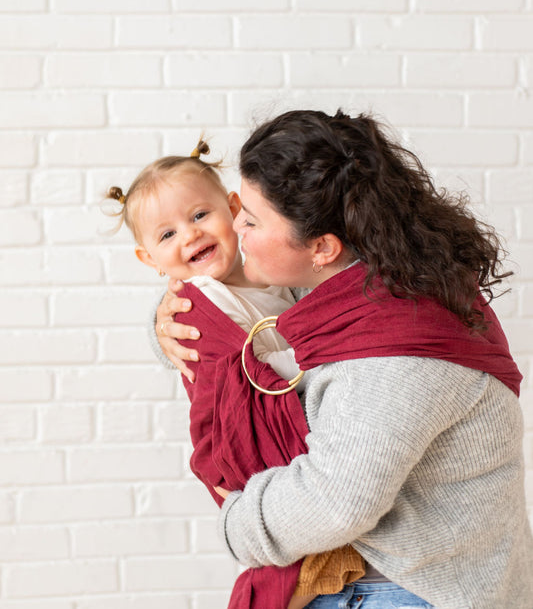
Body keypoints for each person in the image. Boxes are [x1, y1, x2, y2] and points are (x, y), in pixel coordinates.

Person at [154, 109, 533, 609]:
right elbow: (238, 313)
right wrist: (167, 323)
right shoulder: (370, 291)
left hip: (409, 592)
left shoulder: (394, 354)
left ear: (322, 247)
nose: (235, 228)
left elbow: (336, 500)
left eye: (250, 217)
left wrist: (236, 522)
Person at [104, 142, 365, 609]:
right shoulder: (203, 300)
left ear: (233, 208)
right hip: (254, 442)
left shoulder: (277, 275)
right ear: (150, 260)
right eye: (167, 235)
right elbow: (255, 376)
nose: (189, 235)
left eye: (200, 215)